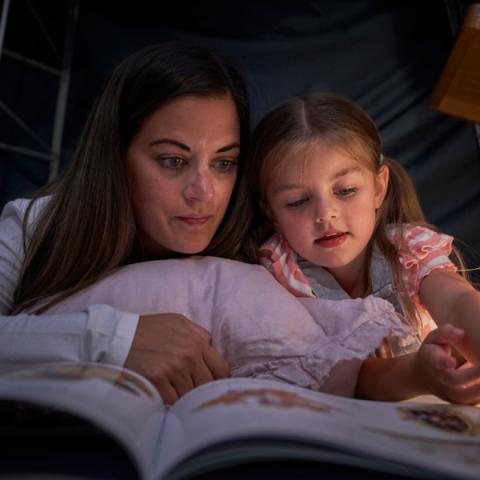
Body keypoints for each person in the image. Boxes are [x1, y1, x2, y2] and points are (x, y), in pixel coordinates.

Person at [0, 41, 251, 404]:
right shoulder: (34, 225)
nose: (203, 193)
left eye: (223, 163)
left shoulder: (262, 246)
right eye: (173, 161)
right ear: (116, 154)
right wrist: (115, 340)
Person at [244, 92, 480, 404]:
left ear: (379, 188)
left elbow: (457, 301)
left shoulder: (407, 249)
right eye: (298, 201)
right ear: (272, 212)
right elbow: (343, 378)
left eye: (346, 190)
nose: (326, 214)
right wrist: (418, 375)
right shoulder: (277, 273)